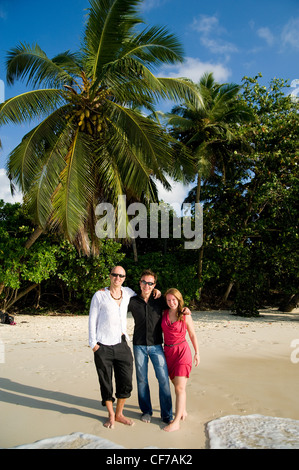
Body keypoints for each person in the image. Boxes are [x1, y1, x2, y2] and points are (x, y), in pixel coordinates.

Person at [128, 270, 191, 425]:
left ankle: (167, 414)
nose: (147, 285)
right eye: (144, 282)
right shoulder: (132, 301)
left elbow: (175, 303)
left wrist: (186, 310)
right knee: (142, 380)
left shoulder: (160, 300)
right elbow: (116, 300)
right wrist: (105, 290)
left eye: (150, 283)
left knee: (163, 379)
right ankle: (146, 411)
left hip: (157, 345)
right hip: (139, 345)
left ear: (154, 285)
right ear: (140, 283)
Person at [88, 265, 135, 429]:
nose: (118, 278)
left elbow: (145, 296)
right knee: (105, 382)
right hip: (103, 346)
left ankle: (119, 413)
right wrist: (93, 344)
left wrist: (156, 292)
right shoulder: (100, 295)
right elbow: (92, 319)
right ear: (110, 276)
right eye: (115, 275)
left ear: (124, 278)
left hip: (122, 344)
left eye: (121, 276)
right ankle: (111, 415)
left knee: (126, 381)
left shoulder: (128, 293)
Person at [161, 288, 199, 432]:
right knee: (177, 384)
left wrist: (197, 352)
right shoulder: (164, 313)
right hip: (168, 352)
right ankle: (182, 410)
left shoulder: (185, 314)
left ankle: (176, 422)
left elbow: (193, 334)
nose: (171, 303)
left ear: (179, 300)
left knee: (179, 387)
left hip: (182, 352)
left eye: (174, 300)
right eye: (169, 300)